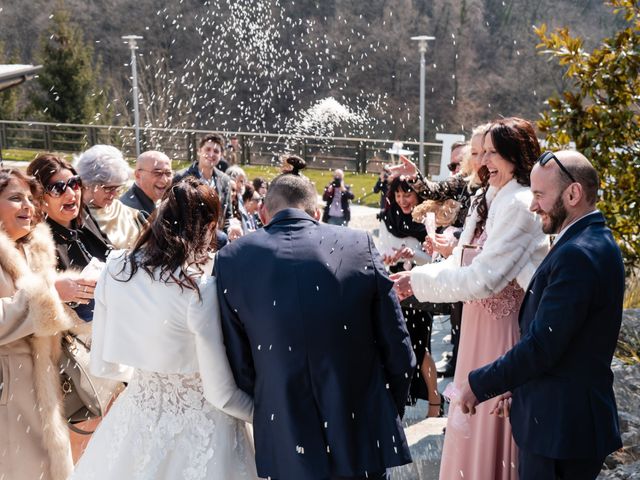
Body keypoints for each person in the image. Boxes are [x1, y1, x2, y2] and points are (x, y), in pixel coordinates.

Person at [216, 174, 416, 480]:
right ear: (318, 213)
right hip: (360, 426)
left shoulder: (231, 259)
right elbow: (399, 348)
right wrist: (384, 407)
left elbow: (239, 361)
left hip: (286, 428)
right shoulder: (358, 243)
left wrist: (275, 405)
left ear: (262, 214)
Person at [392, 117, 548, 480]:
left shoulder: (520, 204)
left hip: (503, 333)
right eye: (482, 153)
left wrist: (417, 282)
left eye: (492, 153)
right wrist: (417, 274)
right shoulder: (487, 198)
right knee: (470, 424)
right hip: (476, 330)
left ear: (516, 155)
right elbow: (464, 260)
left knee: (493, 423)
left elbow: (484, 279)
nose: (483, 162)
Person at [70, 177, 257, 480]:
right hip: (204, 428)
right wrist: (264, 416)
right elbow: (220, 393)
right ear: (209, 228)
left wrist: (150, 376)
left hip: (134, 416)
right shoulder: (200, 289)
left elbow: (104, 364)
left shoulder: (115, 267)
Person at [457, 150, 624, 480]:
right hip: (561, 422)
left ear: (572, 194)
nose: (533, 206)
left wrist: (479, 384)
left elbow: (543, 346)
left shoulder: (578, 253)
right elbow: (566, 343)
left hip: (561, 431)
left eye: (539, 195)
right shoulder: (588, 241)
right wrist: (517, 386)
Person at [390, 126, 488, 378]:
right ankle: (462, 369)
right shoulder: (466, 183)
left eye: (484, 152)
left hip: (487, 270)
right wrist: (416, 177)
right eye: (475, 154)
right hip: (462, 264)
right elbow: (435, 189)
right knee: (462, 326)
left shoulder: (506, 192)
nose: (480, 159)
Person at [0, 168, 79, 480]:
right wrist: (48, 292)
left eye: (30, 200)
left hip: (43, 386)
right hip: (8, 393)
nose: (28, 207)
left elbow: (46, 314)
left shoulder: (35, 249)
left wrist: (75, 299)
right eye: (15, 199)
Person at [379, 176, 441, 418]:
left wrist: (413, 254)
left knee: (420, 346)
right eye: (397, 195)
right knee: (394, 343)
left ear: (418, 194)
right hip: (394, 287)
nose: (402, 200)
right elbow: (382, 250)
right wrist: (389, 258)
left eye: (407, 194)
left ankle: (435, 403)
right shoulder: (387, 219)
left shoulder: (428, 218)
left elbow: (435, 258)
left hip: (420, 286)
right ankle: (397, 399)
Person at [75, 144, 145, 249]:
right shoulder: (74, 215)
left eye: (117, 188)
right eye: (108, 188)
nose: (115, 194)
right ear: (88, 184)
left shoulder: (130, 214)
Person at [174, 133, 232, 218]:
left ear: (221, 155)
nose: (211, 154)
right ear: (199, 151)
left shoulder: (225, 180)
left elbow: (227, 216)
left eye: (216, 151)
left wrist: (231, 227)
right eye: (208, 149)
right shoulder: (181, 177)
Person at [120, 150, 173, 218]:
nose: (164, 180)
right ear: (138, 175)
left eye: (168, 173)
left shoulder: (165, 201)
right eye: (157, 173)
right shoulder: (129, 212)